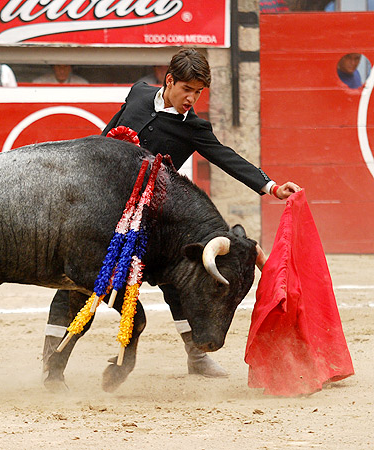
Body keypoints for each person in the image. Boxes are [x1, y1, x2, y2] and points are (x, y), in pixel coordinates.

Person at [42, 48, 302, 386]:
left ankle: (197, 355)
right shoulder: (138, 94)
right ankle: (51, 366)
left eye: (198, 92)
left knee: (181, 278)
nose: (191, 99)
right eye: (187, 90)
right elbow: (105, 139)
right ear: (169, 81)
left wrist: (271, 187)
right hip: (102, 214)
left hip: (153, 218)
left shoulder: (193, 128)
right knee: (78, 282)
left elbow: (227, 157)